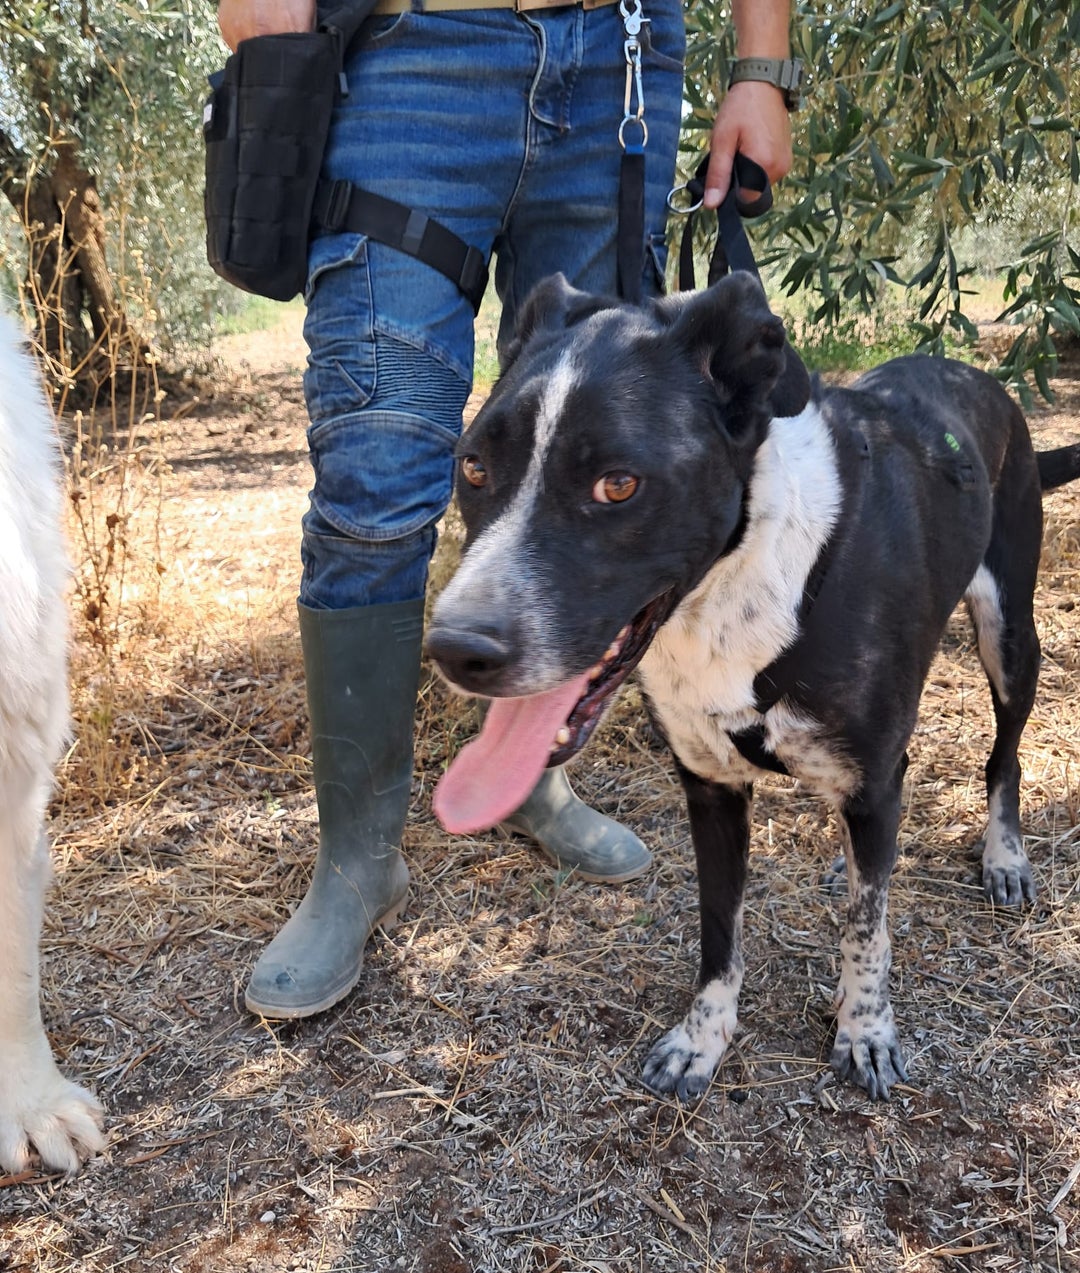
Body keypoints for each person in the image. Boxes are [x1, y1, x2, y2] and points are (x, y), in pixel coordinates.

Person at [216, 0, 795, 1020]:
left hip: (619, 63)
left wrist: (763, 65)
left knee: (596, 463)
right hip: (409, 56)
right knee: (377, 476)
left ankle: (529, 777)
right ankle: (357, 862)